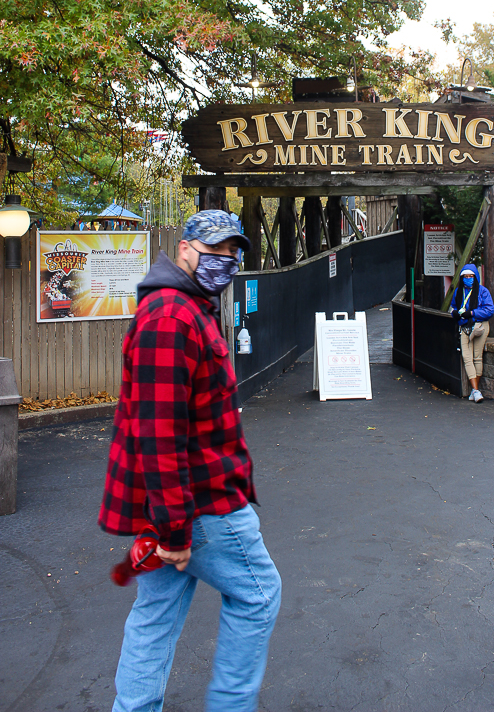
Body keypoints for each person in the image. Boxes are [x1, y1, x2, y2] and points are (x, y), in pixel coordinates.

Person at [98, 209, 281, 712]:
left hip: (177, 502)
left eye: (231, 253)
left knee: (155, 612)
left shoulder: (184, 308)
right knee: (259, 595)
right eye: (213, 250)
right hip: (199, 503)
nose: (223, 262)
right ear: (183, 249)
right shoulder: (172, 317)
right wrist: (176, 530)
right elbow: (160, 435)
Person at [450, 263, 494, 403]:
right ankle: (475, 391)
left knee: (477, 357)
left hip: (479, 326)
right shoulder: (458, 292)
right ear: (461, 277)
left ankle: (474, 390)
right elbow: (454, 308)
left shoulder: (482, 291)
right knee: (467, 357)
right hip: (464, 327)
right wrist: (456, 314)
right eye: (465, 276)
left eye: (470, 276)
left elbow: (489, 310)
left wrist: (472, 313)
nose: (468, 279)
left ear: (475, 277)